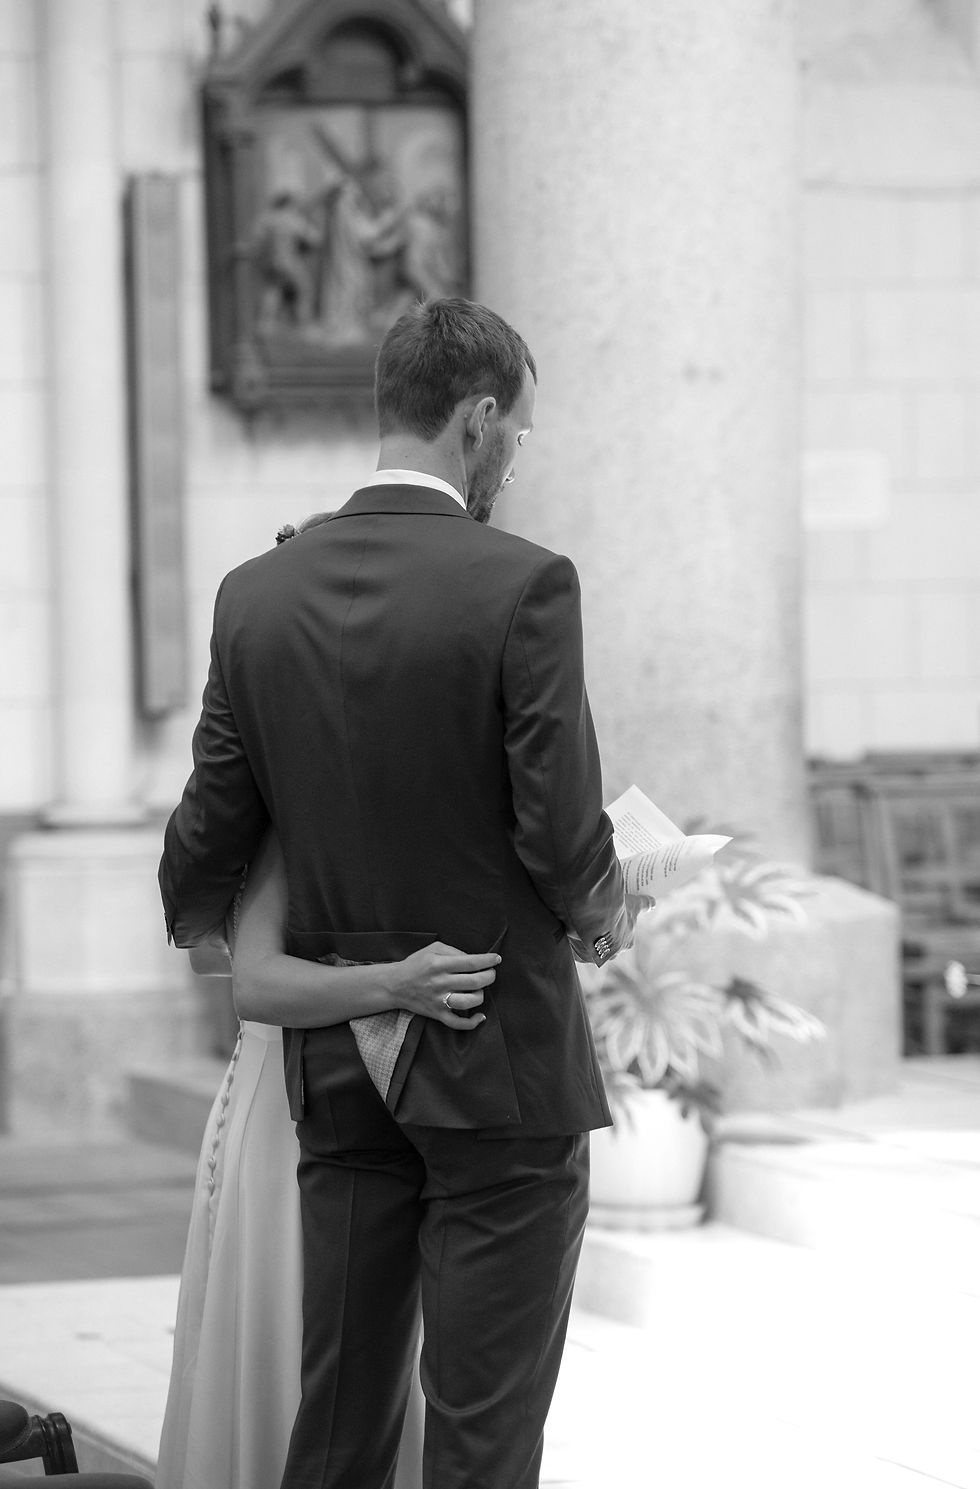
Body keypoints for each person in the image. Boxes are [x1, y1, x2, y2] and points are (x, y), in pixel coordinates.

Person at [159, 296, 634, 1489]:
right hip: (493, 1054)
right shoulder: (523, 585)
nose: (513, 460)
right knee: (479, 1428)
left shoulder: (253, 594)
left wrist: (206, 912)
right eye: (516, 434)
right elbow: (560, 829)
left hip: (340, 1064)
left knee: (340, 1414)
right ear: (477, 420)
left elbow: (212, 825)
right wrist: (606, 903)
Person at [156, 828, 496, 1489]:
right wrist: (394, 980)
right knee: (294, 1342)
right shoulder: (286, 797)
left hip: (380, 1097)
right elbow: (236, 973)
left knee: (378, 1353)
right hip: (293, 1101)